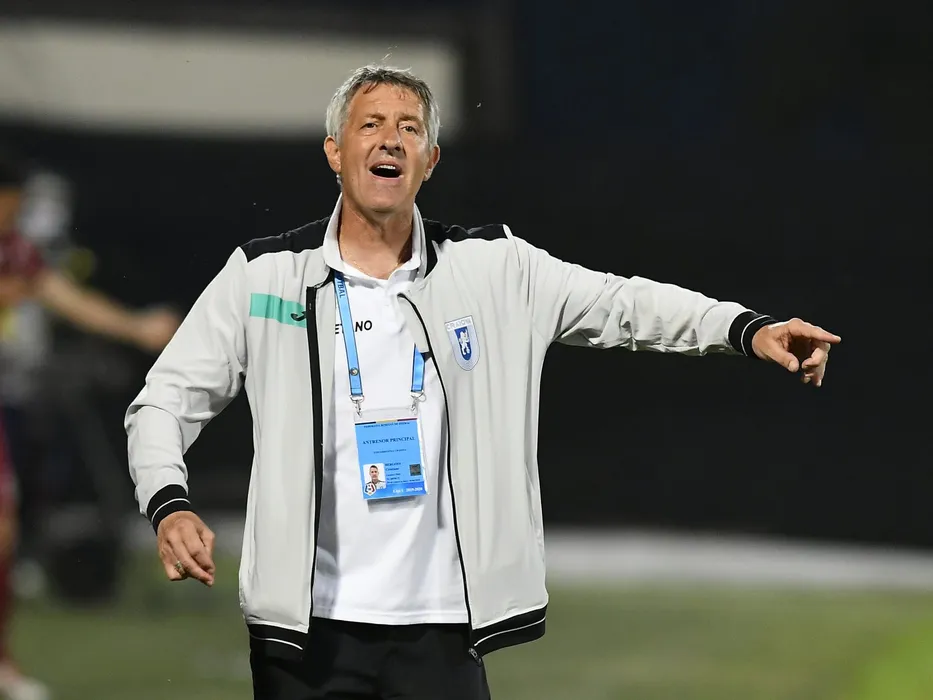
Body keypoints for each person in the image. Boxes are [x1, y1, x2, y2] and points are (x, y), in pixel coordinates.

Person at [125, 65, 840, 700]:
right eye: (370, 125)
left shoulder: (495, 269)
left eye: (409, 128)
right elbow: (163, 402)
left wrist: (745, 328)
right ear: (334, 152)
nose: (390, 140)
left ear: (430, 160)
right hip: (306, 633)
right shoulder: (265, 276)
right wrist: (168, 504)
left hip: (440, 628)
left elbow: (622, 304)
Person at [0, 152, 179, 700]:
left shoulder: (16, 251)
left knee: (4, 532)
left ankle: (2, 661)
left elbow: (65, 297)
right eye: (11, 204)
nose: (15, 215)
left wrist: (136, 327)